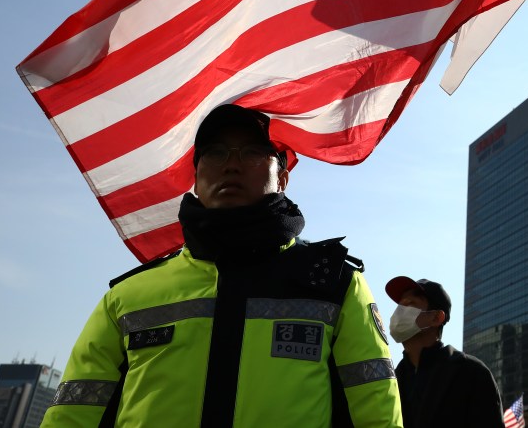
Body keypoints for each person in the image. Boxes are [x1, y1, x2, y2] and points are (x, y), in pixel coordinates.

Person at [43, 104, 402, 427]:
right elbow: (72, 416)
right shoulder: (127, 297)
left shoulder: (335, 283)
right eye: (214, 153)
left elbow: (376, 414)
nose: (231, 164)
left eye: (252, 152)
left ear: (283, 177)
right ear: (196, 179)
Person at [385, 276, 503, 428]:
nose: (399, 313)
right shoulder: (390, 382)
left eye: (410, 304)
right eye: (399, 306)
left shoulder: (471, 373)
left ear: (436, 317)